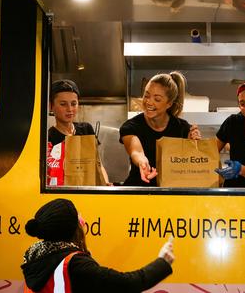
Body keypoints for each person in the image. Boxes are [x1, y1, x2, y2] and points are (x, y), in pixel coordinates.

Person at [22, 198, 174, 293]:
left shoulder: (35, 258)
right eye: (77, 215)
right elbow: (128, 283)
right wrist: (162, 262)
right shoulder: (75, 264)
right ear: (71, 228)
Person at [119, 72, 201, 186]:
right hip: (137, 193)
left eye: (157, 99)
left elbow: (190, 165)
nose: (149, 102)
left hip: (170, 195)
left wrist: (194, 145)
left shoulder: (182, 129)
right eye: (146, 95)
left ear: (169, 103)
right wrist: (143, 163)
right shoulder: (131, 127)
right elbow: (136, 152)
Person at [47, 79, 110, 185]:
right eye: (63, 104)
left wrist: (105, 183)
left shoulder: (86, 129)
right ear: (51, 106)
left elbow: (98, 164)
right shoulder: (48, 138)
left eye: (73, 103)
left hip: (88, 190)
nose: (70, 109)